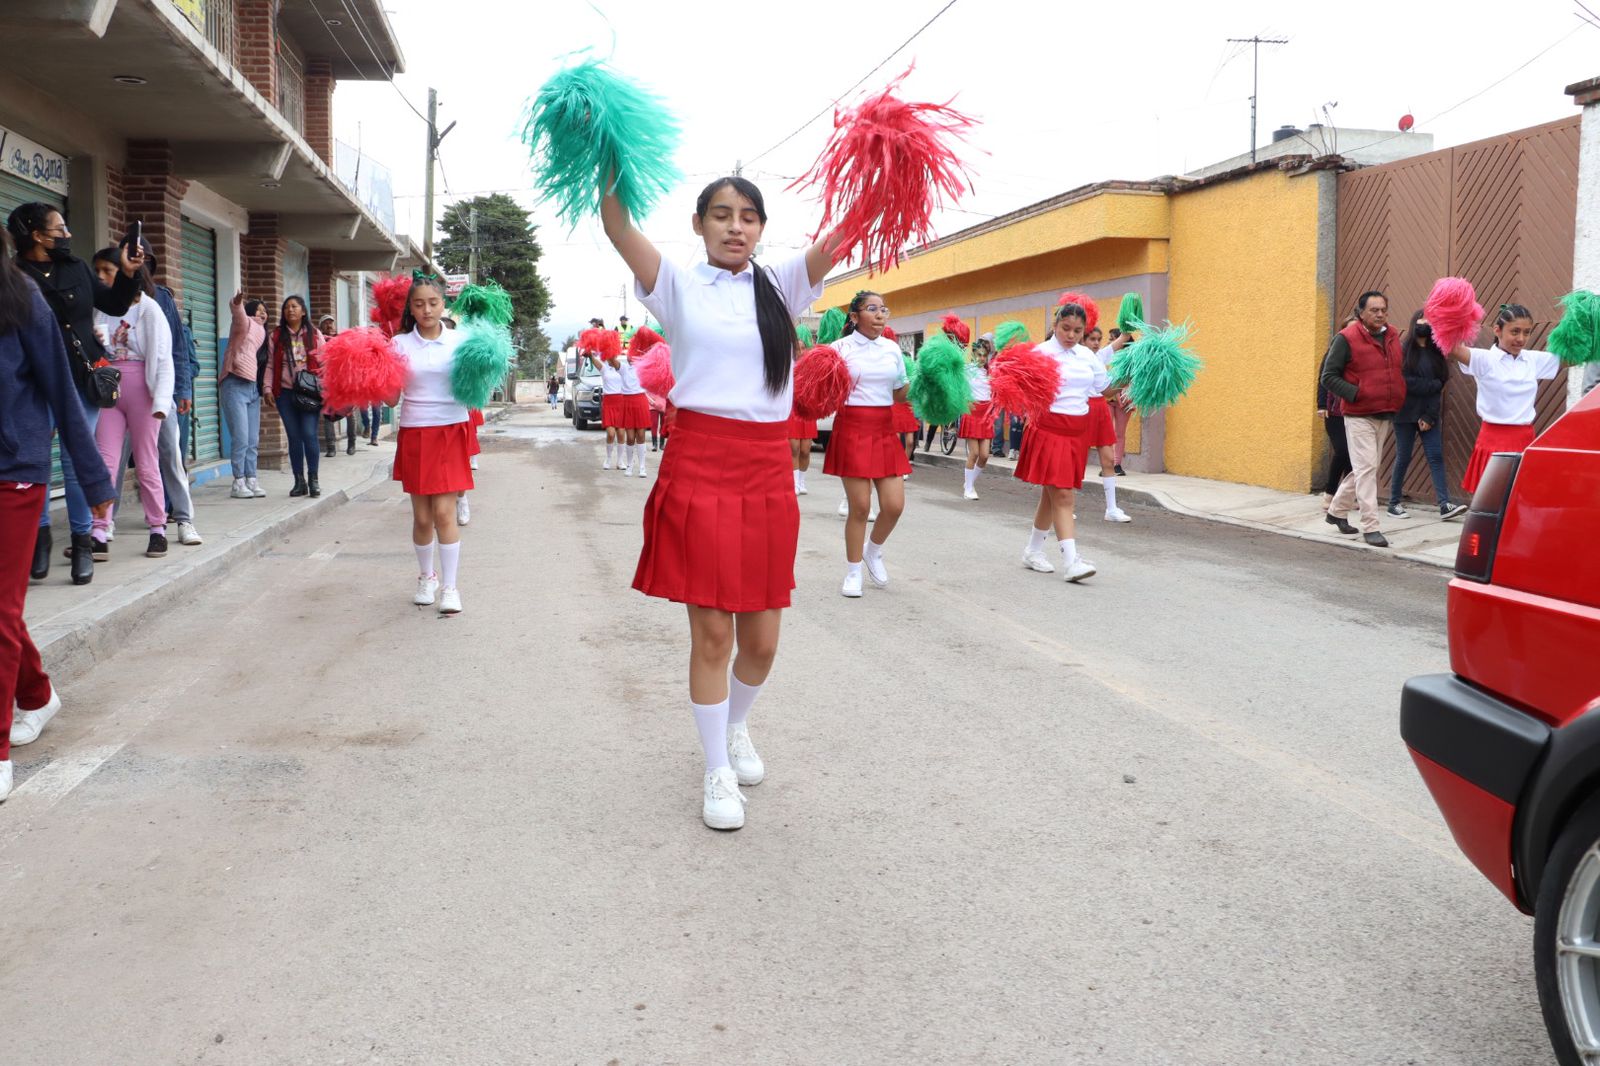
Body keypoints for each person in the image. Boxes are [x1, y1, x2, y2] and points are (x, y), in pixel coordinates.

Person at [603, 174, 840, 831]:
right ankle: (715, 771)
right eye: (721, 216)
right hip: (700, 462)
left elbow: (843, 236)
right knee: (712, 634)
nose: (735, 227)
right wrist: (607, 161)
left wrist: (883, 173)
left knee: (761, 642)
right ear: (700, 224)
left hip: (765, 469)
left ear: (762, 228)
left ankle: (736, 727)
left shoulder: (783, 286)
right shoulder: (677, 286)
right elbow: (619, 228)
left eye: (748, 218)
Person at [0, 232, 117, 798]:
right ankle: (39, 696)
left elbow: (64, 393)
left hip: (13, 470)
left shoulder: (21, 298)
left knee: (0, 608)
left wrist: (94, 479)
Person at [9, 202, 142, 586]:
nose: (67, 235)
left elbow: (115, 304)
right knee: (34, 464)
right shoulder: (14, 276)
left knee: (75, 461)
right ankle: (40, 538)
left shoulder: (77, 268)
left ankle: (83, 542)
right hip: (32, 386)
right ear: (37, 235)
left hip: (81, 379)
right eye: (59, 229)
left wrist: (129, 273)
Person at [102, 246, 202, 549]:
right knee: (114, 460)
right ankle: (106, 522)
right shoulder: (104, 301)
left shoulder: (159, 299)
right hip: (117, 393)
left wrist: (181, 389)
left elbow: (177, 347)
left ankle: (183, 519)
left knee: (169, 455)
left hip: (158, 389)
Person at [390, 274, 471, 615]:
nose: (426, 309)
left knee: (443, 512)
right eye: (419, 304)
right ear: (410, 307)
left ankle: (450, 588)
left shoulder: (461, 342)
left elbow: (475, 390)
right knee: (422, 517)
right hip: (414, 431)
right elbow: (391, 396)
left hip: (451, 430)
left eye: (433, 303)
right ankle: (427, 577)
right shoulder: (398, 344)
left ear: (443, 305)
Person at [89, 247, 173, 559]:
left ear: (126, 272)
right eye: (97, 271)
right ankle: (100, 527)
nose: (100, 277)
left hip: (143, 389)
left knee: (147, 462)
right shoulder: (101, 308)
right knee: (106, 460)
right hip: (109, 386)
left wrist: (162, 401)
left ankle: (157, 528)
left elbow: (163, 358)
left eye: (107, 271)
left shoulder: (148, 309)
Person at [825, 290, 910, 598]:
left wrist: (928, 384)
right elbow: (826, 391)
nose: (879, 314)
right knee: (860, 507)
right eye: (871, 309)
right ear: (854, 316)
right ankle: (852, 572)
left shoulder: (892, 349)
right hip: (852, 428)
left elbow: (899, 392)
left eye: (883, 309)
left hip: (884, 429)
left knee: (894, 506)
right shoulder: (839, 348)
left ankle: (872, 550)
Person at [1017, 301, 1105, 583]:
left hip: (1077, 431)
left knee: (1051, 494)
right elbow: (1019, 391)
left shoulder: (1088, 356)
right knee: (1064, 495)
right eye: (1065, 328)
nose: (1071, 335)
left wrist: (1139, 378)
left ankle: (1032, 551)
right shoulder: (1040, 354)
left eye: (1078, 331)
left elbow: (1103, 388)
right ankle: (1071, 562)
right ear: (1055, 325)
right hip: (1049, 429)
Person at [1444, 303, 1562, 493]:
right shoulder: (1484, 359)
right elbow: (1450, 347)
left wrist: (1586, 328)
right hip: (1493, 441)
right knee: (1491, 503)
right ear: (1497, 330)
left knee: (1521, 500)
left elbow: (1572, 358)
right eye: (1515, 331)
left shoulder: (1533, 359)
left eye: (1526, 332)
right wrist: (1450, 315)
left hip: (1525, 439)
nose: (1521, 338)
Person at [1319, 291, 1406, 548]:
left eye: (1383, 310)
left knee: (1366, 468)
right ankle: (1371, 526)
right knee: (1367, 469)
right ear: (1361, 313)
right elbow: (1328, 376)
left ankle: (1336, 511)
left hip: (1385, 412)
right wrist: (1356, 393)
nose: (1380, 314)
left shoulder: (1392, 336)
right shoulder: (1346, 339)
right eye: (1374, 310)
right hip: (1358, 414)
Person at [1390, 309, 1467, 521]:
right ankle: (1393, 502)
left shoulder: (1437, 353)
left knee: (1435, 456)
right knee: (1403, 457)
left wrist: (1429, 416)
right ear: (1414, 324)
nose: (1423, 326)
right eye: (1420, 322)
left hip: (1428, 414)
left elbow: (1440, 383)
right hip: (1404, 413)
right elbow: (1405, 382)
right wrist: (1431, 385)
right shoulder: (1404, 351)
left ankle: (1444, 504)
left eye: (1428, 323)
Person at [262, 296, 326, 498]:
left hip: (310, 393)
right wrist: (267, 388)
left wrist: (326, 389)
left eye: (294, 306)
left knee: (309, 434)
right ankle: (299, 481)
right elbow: (271, 364)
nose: (290, 310)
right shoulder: (276, 335)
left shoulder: (315, 335)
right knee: (294, 437)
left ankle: (314, 480)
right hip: (285, 393)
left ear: (303, 311)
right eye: (286, 307)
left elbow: (325, 363)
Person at [221, 293, 268, 498]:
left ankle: (251, 478)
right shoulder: (244, 324)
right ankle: (238, 482)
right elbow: (238, 313)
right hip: (234, 383)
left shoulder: (262, 332)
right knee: (240, 437)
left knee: (252, 439)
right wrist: (238, 302)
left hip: (252, 388)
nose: (263, 313)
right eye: (259, 310)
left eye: (265, 311)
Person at [1084, 329, 1132, 522]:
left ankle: (1111, 509)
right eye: (1091, 339)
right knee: (1077, 459)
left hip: (1100, 409)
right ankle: (1065, 504)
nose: (1096, 343)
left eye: (1098, 339)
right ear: (1083, 340)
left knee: (1108, 458)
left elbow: (1123, 339)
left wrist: (1128, 324)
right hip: (1083, 408)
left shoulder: (1099, 356)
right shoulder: (1079, 358)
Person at [1315, 317, 1356, 509]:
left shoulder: (1362, 354)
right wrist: (1321, 404)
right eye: (1349, 330)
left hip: (1356, 411)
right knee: (1342, 450)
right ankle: (1330, 493)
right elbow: (1323, 379)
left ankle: (1346, 497)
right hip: (1334, 411)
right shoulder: (1333, 351)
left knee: (1354, 455)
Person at [958, 335, 995, 499]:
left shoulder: (990, 372)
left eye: (984, 355)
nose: (981, 358)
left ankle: (969, 482)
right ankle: (969, 489)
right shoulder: (967, 370)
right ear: (973, 355)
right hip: (972, 412)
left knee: (985, 455)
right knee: (973, 453)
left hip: (986, 414)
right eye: (979, 354)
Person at [317, 314, 358, 458]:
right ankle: (331, 447)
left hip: (345, 382)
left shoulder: (343, 340)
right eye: (326, 323)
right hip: (328, 383)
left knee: (349, 412)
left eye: (331, 323)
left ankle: (352, 444)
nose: (329, 326)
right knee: (328, 415)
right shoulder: (319, 341)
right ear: (320, 327)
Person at [615, 350, 652, 476]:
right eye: (629, 354)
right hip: (627, 402)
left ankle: (642, 467)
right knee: (630, 438)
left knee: (641, 435)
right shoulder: (624, 368)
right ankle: (630, 465)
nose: (631, 357)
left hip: (640, 400)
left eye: (634, 354)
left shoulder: (644, 367)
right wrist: (606, 349)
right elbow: (612, 361)